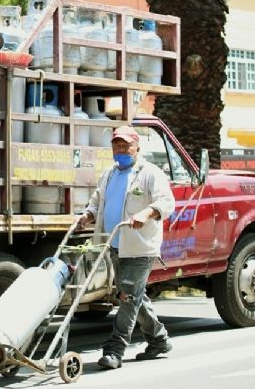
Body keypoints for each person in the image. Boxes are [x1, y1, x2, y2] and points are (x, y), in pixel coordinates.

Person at [76, 125, 175, 370]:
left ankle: (114, 350)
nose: (121, 149)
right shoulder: (109, 174)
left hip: (140, 247)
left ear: (137, 147)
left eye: (126, 145)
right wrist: (86, 215)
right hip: (115, 245)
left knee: (127, 296)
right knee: (134, 296)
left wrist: (147, 213)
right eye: (117, 145)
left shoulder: (150, 173)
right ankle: (159, 339)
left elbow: (166, 201)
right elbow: (97, 201)